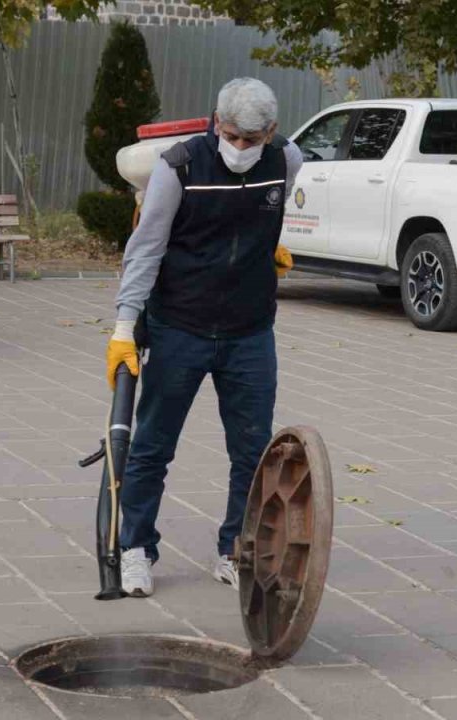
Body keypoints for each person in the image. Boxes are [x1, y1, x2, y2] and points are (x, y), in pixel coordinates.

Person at [105, 78, 302, 597]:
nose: (239, 149)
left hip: (250, 332)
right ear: (217, 124)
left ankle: (236, 549)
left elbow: (267, 216)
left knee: (252, 451)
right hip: (180, 328)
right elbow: (145, 248)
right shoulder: (180, 167)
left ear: (271, 133)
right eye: (232, 136)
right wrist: (125, 326)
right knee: (152, 446)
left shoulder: (287, 160)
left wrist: (265, 251)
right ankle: (135, 549)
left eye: (251, 140)